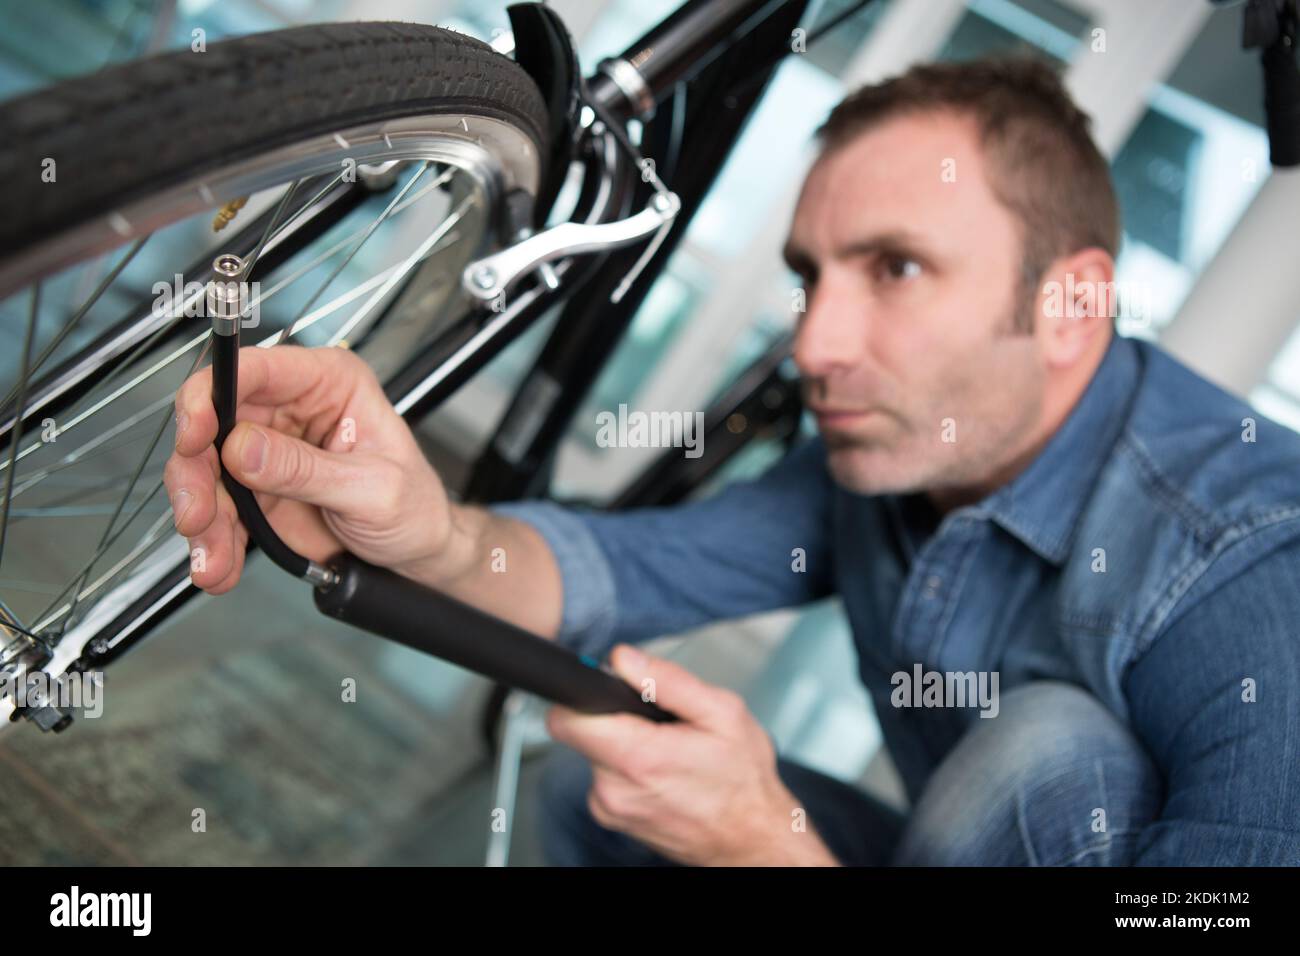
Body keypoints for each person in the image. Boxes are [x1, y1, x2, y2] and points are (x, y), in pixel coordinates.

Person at [165, 56, 1300, 866]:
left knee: (1052, 756)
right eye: (813, 277)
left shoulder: (1249, 564)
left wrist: (767, 843)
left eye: (895, 268)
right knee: (603, 794)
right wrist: (434, 531)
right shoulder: (886, 464)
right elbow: (619, 571)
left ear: (1071, 304)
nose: (812, 346)